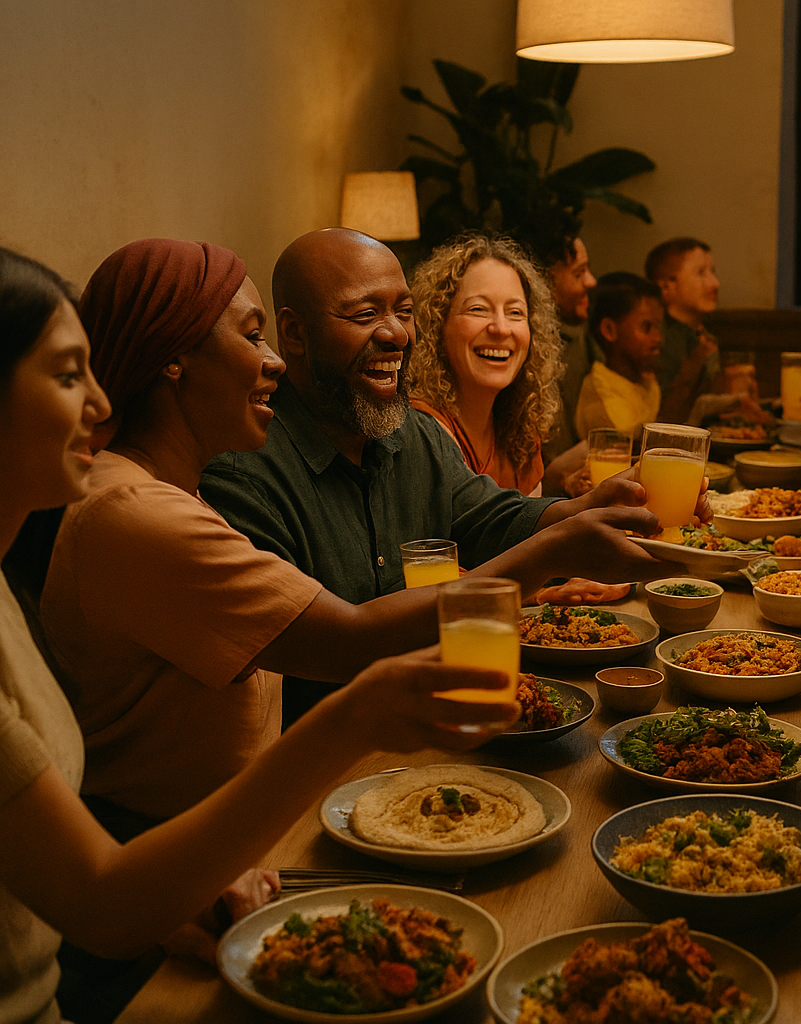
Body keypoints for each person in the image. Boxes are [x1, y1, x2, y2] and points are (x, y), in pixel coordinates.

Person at [0, 244, 519, 1024]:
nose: (102, 405)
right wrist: (359, 710)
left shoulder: (87, 537)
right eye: (70, 376)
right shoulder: (134, 508)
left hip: (207, 890)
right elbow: (101, 901)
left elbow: (64, 854)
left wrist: (176, 891)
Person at [200, 229, 705, 723]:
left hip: (442, 723)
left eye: (403, 311)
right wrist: (558, 550)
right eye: (365, 314)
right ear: (294, 334)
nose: (397, 334)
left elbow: (495, 516)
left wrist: (603, 505)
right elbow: (332, 645)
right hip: (329, 766)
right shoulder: (244, 471)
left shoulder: (414, 434)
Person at [407, 234, 561, 493]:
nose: (500, 328)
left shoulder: (520, 433)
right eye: (478, 309)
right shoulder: (420, 433)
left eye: (515, 313)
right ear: (436, 326)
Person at [574, 272, 666, 440]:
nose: (658, 338)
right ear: (609, 330)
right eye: (647, 327)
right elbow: (635, 448)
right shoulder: (600, 393)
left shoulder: (646, 380)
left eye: (658, 327)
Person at [644, 237, 721, 421]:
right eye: (701, 273)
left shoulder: (701, 335)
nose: (714, 283)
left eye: (713, 272)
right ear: (666, 285)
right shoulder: (656, 340)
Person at [544, 235, 601, 462]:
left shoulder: (578, 338)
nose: (591, 281)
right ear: (544, 282)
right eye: (579, 273)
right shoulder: (522, 351)